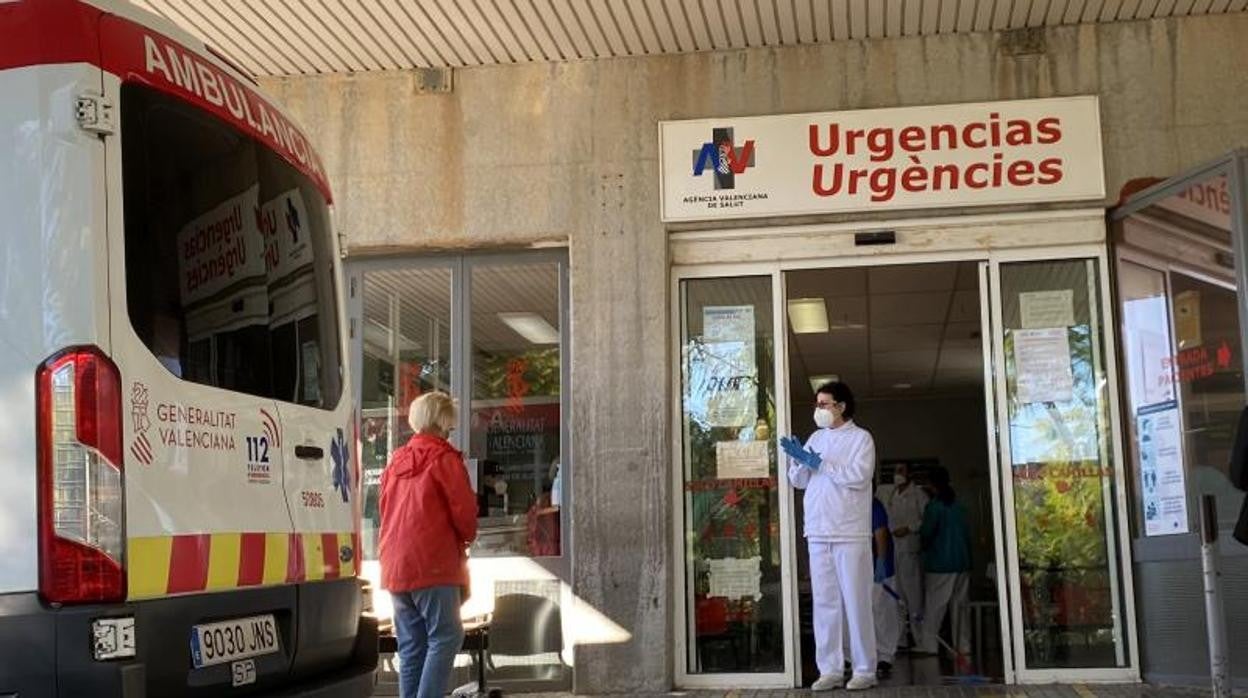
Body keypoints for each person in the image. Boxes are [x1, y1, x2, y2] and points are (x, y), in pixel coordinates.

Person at [379, 392, 478, 698]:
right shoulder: (444, 458)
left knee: (411, 645)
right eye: (449, 422)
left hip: (396, 567)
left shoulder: (395, 461)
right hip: (432, 563)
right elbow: (464, 515)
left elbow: (384, 509)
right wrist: (467, 537)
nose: (451, 429)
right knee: (447, 636)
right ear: (442, 420)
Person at [781, 381, 877, 691]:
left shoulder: (861, 439)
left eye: (824, 404)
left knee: (856, 601)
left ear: (841, 406)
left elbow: (858, 477)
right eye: (817, 404)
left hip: (849, 532)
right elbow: (799, 482)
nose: (819, 410)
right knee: (825, 603)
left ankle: (864, 669)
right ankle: (831, 669)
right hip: (818, 531)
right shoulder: (816, 438)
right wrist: (797, 459)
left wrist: (820, 463)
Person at [916, 466, 972, 658]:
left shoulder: (934, 507)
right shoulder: (959, 505)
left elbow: (927, 534)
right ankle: (963, 645)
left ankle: (929, 645)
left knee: (935, 606)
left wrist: (922, 548)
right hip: (962, 562)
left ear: (931, 484)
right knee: (960, 607)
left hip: (940, 564)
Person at [886, 462, 929, 650]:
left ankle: (920, 640)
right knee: (897, 598)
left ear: (909, 474)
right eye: (896, 471)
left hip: (910, 551)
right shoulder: (891, 494)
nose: (898, 474)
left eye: (901, 470)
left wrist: (910, 528)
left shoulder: (919, 495)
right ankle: (901, 640)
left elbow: (927, 519)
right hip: (894, 551)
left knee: (914, 597)